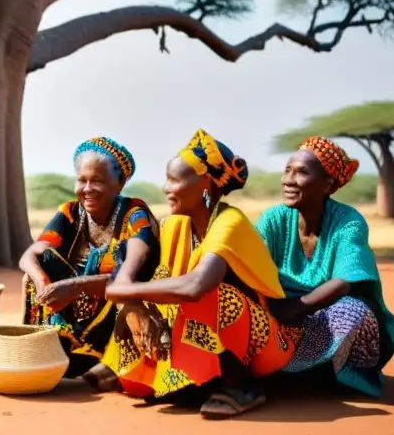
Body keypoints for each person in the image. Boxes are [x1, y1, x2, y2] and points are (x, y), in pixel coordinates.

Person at [103, 129, 298, 419]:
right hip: (220, 331)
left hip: (265, 342)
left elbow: (196, 285)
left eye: (174, 180)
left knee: (209, 295)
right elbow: (153, 281)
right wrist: (132, 305)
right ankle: (184, 380)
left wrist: (122, 291)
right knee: (154, 293)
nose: (166, 188)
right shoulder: (175, 225)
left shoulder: (230, 223)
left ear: (206, 184)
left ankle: (241, 388)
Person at [257, 137, 394, 397]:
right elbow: (251, 268)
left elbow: (345, 281)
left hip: (324, 316)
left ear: (327, 184)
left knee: (353, 311)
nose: (288, 180)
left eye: (301, 172)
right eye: (287, 170)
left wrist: (295, 308)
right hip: (279, 314)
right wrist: (274, 310)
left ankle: (332, 374)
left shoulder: (348, 221)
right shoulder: (273, 219)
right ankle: (285, 371)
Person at [19, 137, 158, 389]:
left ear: (120, 183)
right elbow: (29, 255)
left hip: (116, 309)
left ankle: (112, 360)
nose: (87, 188)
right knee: (36, 268)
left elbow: (127, 278)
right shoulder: (72, 212)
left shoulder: (134, 215)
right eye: (82, 180)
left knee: (126, 294)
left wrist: (76, 287)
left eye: (98, 181)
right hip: (75, 310)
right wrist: (43, 284)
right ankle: (50, 348)